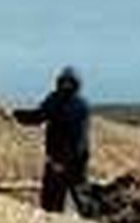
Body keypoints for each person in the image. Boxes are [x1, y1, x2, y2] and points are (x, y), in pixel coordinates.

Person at [13, 66, 91, 214]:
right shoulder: (53, 100)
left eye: (70, 83)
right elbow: (38, 116)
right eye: (63, 82)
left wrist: (64, 163)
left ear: (76, 85)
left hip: (75, 161)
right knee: (50, 200)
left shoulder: (81, 106)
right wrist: (15, 115)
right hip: (54, 158)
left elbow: (79, 140)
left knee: (81, 197)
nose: (66, 86)